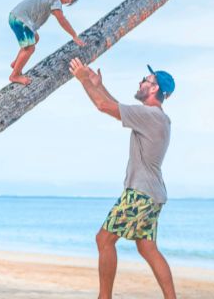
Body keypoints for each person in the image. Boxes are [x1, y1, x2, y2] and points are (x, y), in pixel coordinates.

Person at [69, 57, 177, 299]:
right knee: (147, 248)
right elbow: (116, 106)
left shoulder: (151, 115)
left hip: (140, 193)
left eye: (146, 80)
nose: (141, 82)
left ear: (155, 88)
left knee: (104, 240)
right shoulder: (155, 116)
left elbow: (103, 107)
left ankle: (104, 297)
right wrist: (98, 84)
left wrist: (84, 80)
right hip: (153, 194)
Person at [8, 0, 85, 85]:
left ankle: (17, 63)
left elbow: (44, 7)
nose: (69, 1)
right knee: (30, 48)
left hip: (16, 17)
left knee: (35, 38)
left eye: (71, 1)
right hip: (21, 20)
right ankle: (15, 75)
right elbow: (62, 19)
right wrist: (74, 35)